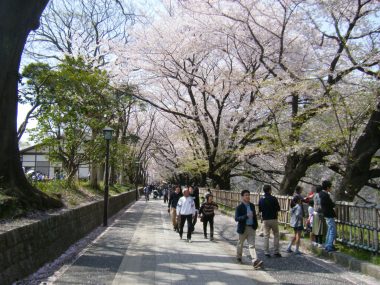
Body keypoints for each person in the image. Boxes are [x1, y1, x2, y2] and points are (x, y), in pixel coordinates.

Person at [235, 190, 263, 269]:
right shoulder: (239, 207)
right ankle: (239, 257)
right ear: (242, 197)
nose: (248, 196)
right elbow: (236, 218)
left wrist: (256, 225)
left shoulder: (252, 206)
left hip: (251, 227)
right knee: (240, 244)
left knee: (252, 245)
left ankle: (255, 260)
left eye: (248, 195)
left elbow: (254, 216)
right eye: (246, 195)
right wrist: (246, 216)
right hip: (243, 228)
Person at [258, 185, 281, 257]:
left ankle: (266, 252)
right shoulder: (274, 198)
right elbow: (278, 208)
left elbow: (260, 210)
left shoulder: (261, 199)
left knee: (266, 236)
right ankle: (276, 251)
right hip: (274, 218)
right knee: (276, 235)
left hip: (265, 220)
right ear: (270, 190)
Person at [320, 180, 337, 252]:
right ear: (327, 187)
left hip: (326, 214)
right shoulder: (326, 195)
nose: (331, 188)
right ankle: (329, 246)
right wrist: (333, 203)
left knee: (329, 230)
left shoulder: (321, 193)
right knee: (332, 230)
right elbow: (331, 204)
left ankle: (327, 245)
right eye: (330, 187)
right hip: (329, 214)